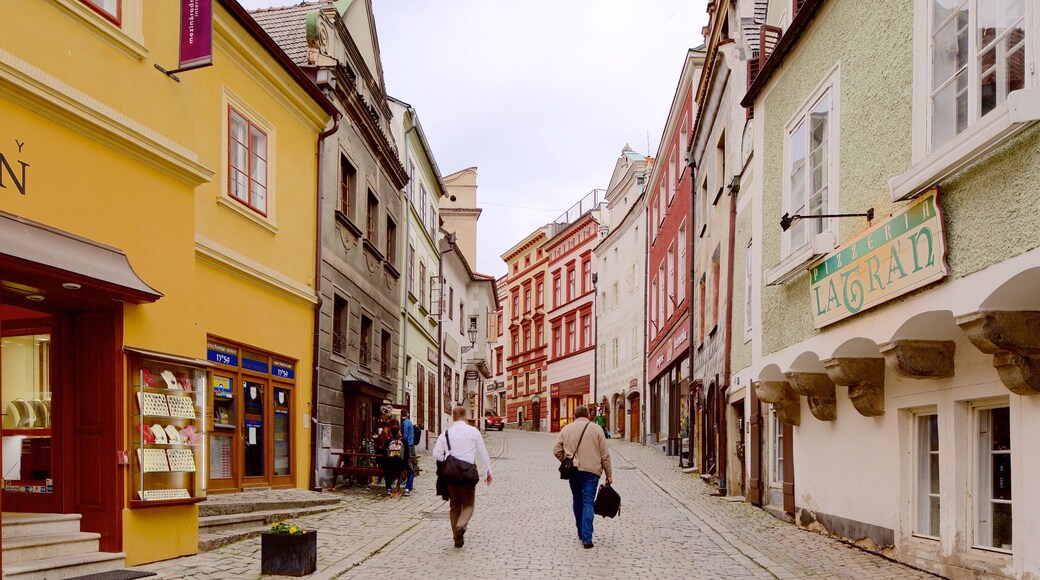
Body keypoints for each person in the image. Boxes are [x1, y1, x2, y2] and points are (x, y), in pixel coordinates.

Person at [433, 406, 493, 548]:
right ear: (465, 417)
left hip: (451, 475)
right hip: (467, 474)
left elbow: (436, 454)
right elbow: (482, 452)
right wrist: (488, 472)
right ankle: (460, 526)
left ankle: (456, 538)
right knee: (468, 504)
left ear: (453, 417)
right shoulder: (473, 432)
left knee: (454, 506)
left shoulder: (445, 433)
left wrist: (447, 458)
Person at [553, 405, 612, 549]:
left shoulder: (566, 429)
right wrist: (609, 474)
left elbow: (556, 450)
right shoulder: (597, 429)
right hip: (592, 471)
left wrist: (566, 461)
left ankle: (580, 530)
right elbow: (604, 455)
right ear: (588, 415)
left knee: (577, 499)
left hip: (574, 471)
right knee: (588, 502)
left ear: (574, 415)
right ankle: (587, 538)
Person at [382, 424, 410, 498]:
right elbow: (407, 454)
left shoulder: (388, 441)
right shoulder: (403, 441)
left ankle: (388, 488)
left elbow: (384, 453)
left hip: (390, 465)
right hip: (401, 465)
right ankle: (404, 488)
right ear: (398, 432)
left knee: (386, 469)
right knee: (410, 471)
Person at [401, 410, 415, 497]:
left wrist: (403, 443)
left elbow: (405, 435)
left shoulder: (405, 423)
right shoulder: (410, 422)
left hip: (407, 445)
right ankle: (408, 484)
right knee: (409, 464)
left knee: (409, 465)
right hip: (411, 444)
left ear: (401, 414)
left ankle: (407, 485)